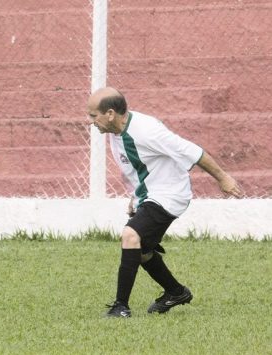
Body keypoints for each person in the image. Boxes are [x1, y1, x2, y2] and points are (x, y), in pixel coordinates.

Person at [86, 87, 242, 318]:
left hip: (170, 194)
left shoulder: (146, 131)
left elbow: (192, 151)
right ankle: (176, 292)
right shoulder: (115, 130)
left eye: (93, 115)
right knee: (141, 251)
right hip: (152, 193)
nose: (90, 121)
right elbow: (139, 165)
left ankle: (121, 307)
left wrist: (223, 178)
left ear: (110, 113)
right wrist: (136, 197)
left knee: (131, 236)